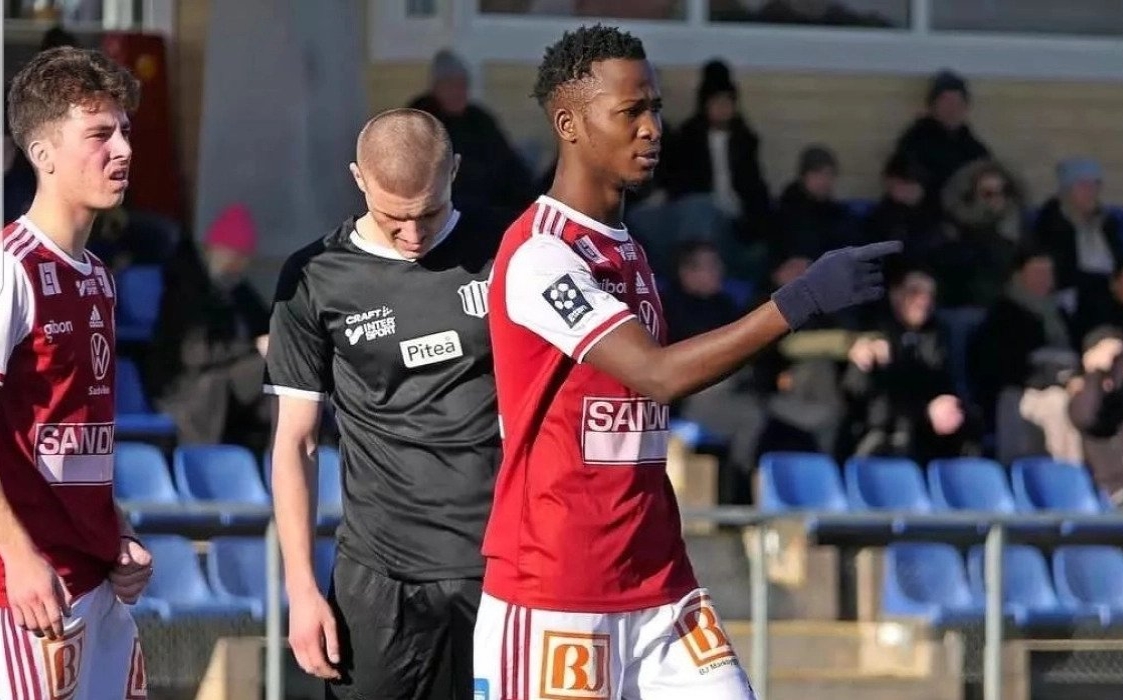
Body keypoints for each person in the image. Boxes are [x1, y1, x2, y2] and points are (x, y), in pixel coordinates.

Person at [476, 24, 899, 700]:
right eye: (630, 112)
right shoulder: (540, 255)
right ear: (569, 123)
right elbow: (658, 373)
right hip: (557, 585)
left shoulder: (629, 247)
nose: (652, 129)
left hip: (659, 581)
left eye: (656, 108)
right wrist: (798, 300)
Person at [265, 108, 505, 699]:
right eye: (394, 218)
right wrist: (301, 588)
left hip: (499, 567)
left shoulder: (509, 251)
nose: (414, 235)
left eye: (428, 212)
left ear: (454, 171)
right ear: (358, 180)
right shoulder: (315, 277)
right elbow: (296, 442)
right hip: (380, 576)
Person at [0, 47, 152, 697]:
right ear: (44, 153)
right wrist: (16, 554)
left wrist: (117, 529)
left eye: (124, 131)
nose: (121, 149)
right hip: (29, 595)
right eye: (99, 134)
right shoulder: (12, 267)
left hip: (96, 583)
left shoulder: (97, 276)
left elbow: (71, 437)